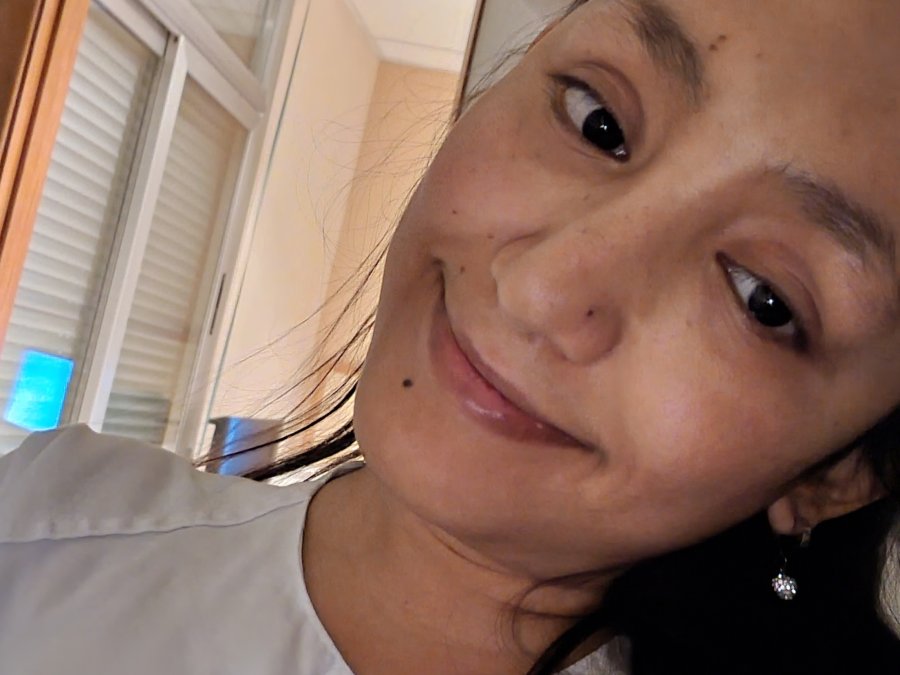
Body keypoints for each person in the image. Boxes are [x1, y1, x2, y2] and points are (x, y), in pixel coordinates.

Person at [1, 1, 899, 673]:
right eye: (599, 122)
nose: (540, 287)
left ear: (840, 472)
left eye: (762, 299)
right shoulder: (43, 522)